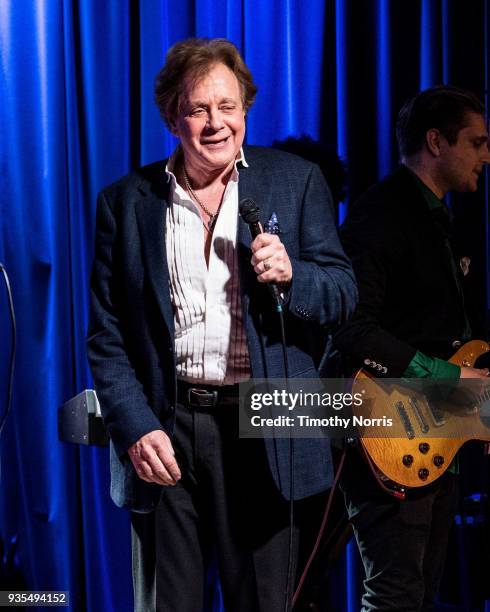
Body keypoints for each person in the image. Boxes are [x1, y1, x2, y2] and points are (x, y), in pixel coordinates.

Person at [87, 37, 356, 612]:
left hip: (266, 428)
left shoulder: (296, 181)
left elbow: (342, 293)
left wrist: (294, 277)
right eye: (199, 108)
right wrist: (135, 427)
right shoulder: (126, 203)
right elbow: (107, 336)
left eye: (228, 106)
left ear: (246, 110)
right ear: (172, 117)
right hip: (168, 428)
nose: (216, 123)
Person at [334, 85, 490, 611]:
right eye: (477, 142)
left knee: (421, 594)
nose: (486, 156)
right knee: (396, 595)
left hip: (437, 430)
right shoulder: (379, 216)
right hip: (389, 426)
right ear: (436, 141)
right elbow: (352, 328)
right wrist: (444, 378)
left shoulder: (442, 220)